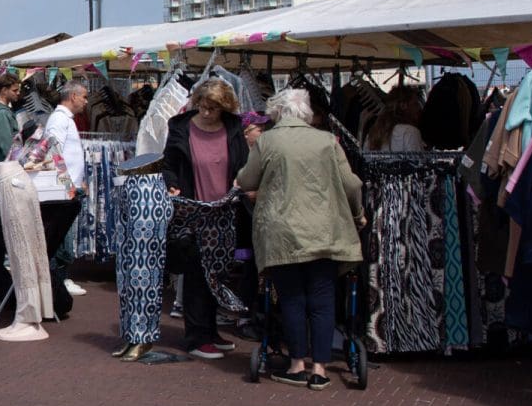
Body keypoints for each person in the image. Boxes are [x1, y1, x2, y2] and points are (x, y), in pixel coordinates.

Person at [237, 88, 366, 390]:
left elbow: (246, 180)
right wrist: (358, 214)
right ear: (306, 113)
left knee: (292, 298)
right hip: (325, 231)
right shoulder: (327, 141)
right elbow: (351, 185)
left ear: (278, 113)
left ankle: (297, 365)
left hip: (283, 232)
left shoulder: (268, 141)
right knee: (323, 299)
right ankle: (320, 369)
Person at [161, 78, 248, 359]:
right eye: (202, 106)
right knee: (197, 274)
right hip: (194, 211)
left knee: (217, 273)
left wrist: (241, 180)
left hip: (224, 211)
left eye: (213, 108)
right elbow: (169, 164)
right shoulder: (181, 127)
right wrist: (172, 185)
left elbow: (244, 162)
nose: (207, 112)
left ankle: (210, 331)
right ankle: (196, 337)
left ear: (224, 107)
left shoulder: (233, 128)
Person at [45, 80, 91, 294]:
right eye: (84, 96)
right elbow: (54, 153)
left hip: (70, 186)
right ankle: (58, 280)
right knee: (63, 237)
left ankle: (60, 279)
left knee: (65, 236)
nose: (86, 101)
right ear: (73, 96)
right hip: (64, 189)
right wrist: (67, 185)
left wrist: (79, 180)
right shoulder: (59, 119)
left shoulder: (65, 119)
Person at [365, 84, 428, 152]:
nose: (419, 108)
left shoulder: (374, 134)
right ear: (404, 106)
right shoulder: (410, 132)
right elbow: (417, 158)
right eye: (415, 104)